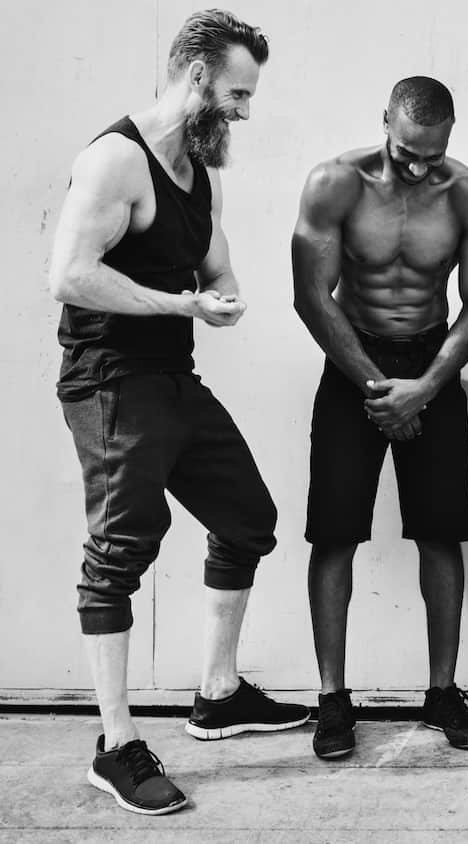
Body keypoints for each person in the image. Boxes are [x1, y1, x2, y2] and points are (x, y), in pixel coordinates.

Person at [49, 10, 308, 816]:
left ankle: (218, 694)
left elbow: (215, 262)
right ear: (196, 77)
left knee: (248, 517)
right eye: (236, 92)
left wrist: (221, 296)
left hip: (170, 376)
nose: (244, 110)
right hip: (108, 379)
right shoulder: (113, 162)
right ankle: (116, 744)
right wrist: (182, 305)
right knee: (123, 548)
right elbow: (71, 277)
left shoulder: (200, 167)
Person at [291, 76, 468, 760]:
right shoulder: (335, 184)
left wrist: (426, 387)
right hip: (354, 364)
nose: (419, 164)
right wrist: (384, 391)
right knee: (335, 533)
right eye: (408, 150)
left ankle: (442, 693)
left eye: (432, 151)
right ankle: (332, 700)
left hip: (432, 362)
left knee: (441, 533)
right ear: (385, 120)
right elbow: (311, 298)